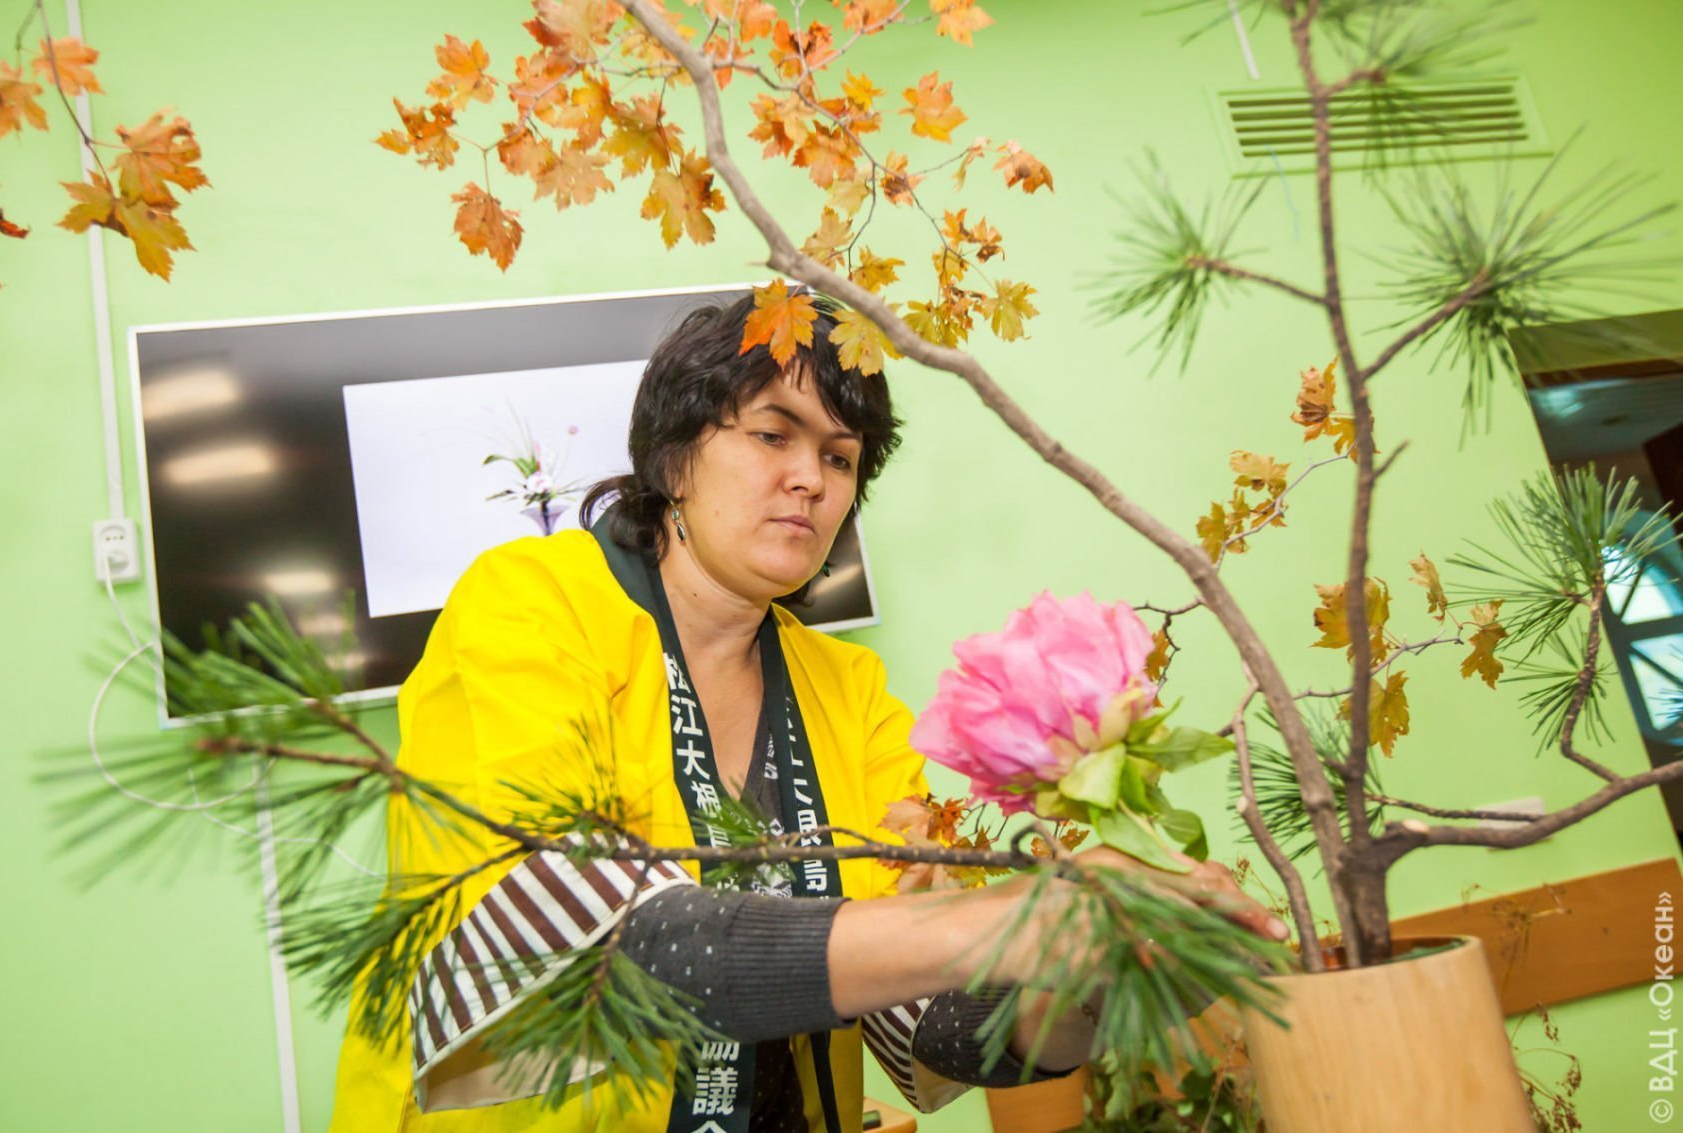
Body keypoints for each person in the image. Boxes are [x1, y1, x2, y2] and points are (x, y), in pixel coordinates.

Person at [328, 293, 1285, 1133]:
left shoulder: (849, 689)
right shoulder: (532, 603)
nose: (812, 479)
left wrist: (1107, 974)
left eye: (839, 456)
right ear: (675, 455)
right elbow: (587, 940)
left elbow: (936, 1017)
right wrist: (1020, 915)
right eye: (773, 435)